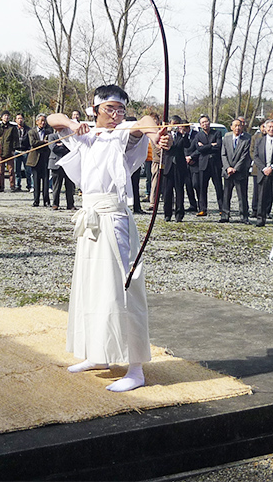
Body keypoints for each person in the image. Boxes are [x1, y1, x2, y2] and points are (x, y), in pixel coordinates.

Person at [47, 84, 171, 392]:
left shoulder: (123, 134)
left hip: (115, 218)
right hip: (91, 220)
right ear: (95, 110)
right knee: (93, 288)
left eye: (120, 110)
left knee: (123, 290)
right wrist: (73, 124)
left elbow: (144, 123)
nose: (116, 115)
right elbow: (52, 118)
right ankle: (97, 354)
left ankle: (136, 368)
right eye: (110, 109)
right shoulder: (86, 135)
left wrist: (156, 136)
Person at [192, 115, 224, 219]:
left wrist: (205, 146)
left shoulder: (217, 133)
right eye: (202, 123)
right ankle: (202, 209)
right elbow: (199, 149)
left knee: (218, 187)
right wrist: (211, 145)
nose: (205, 124)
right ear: (200, 125)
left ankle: (222, 208)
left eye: (206, 121)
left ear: (209, 122)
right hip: (203, 164)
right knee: (202, 187)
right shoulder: (198, 135)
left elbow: (218, 146)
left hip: (215, 164)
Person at [221, 118, 251, 223]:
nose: (237, 128)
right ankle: (225, 215)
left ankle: (244, 216)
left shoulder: (246, 139)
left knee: (242, 195)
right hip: (228, 172)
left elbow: (245, 156)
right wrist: (227, 167)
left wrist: (236, 168)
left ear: (242, 127)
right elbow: (223, 154)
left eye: (239, 125)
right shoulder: (226, 138)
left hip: (240, 172)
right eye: (235, 125)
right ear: (231, 127)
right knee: (226, 195)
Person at [162, 115, 190, 222]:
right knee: (167, 192)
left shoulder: (181, 135)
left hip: (179, 165)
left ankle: (179, 214)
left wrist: (183, 134)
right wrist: (167, 132)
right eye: (173, 124)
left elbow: (187, 145)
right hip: (168, 165)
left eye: (177, 124)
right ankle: (167, 214)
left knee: (179, 191)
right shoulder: (166, 135)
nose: (175, 126)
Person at [27, 114, 52, 207]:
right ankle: (36, 200)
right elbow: (33, 143)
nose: (43, 122)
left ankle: (46, 201)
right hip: (35, 159)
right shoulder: (32, 132)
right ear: (37, 121)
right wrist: (43, 142)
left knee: (46, 181)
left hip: (45, 158)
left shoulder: (49, 132)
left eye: (44, 121)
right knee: (36, 181)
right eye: (41, 120)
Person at [48, 129, 75, 210]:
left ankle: (70, 204)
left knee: (70, 186)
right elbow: (53, 148)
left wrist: (61, 145)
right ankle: (55, 204)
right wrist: (64, 146)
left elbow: (72, 147)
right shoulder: (52, 136)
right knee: (56, 186)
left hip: (68, 164)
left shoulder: (70, 137)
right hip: (56, 163)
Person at [0, 111, 17, 192]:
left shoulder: (12, 127)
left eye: (7, 116)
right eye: (5, 115)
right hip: (0, 152)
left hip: (9, 151)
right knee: (1, 171)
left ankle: (12, 186)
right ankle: (1, 186)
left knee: (11, 170)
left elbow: (15, 140)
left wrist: (13, 149)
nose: (6, 117)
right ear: (1, 117)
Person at [14, 113, 32, 191]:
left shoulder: (28, 129)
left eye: (21, 118)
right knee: (17, 171)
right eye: (18, 118)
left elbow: (31, 140)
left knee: (28, 170)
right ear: (15, 120)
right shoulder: (13, 130)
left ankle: (29, 185)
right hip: (16, 151)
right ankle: (18, 185)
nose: (20, 120)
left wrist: (29, 149)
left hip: (26, 152)